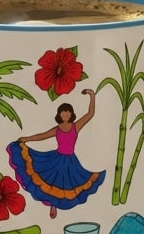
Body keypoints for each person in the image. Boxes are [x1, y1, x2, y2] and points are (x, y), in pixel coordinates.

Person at [6, 88, 104, 218]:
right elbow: (42, 136)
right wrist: (27, 139)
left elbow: (90, 114)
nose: (65, 114)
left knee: (69, 183)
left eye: (68, 112)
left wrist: (92, 95)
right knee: (52, 182)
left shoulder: (76, 126)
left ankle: (56, 204)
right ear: (59, 114)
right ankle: (53, 204)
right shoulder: (57, 129)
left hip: (70, 160)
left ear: (71, 114)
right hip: (56, 158)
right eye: (63, 112)